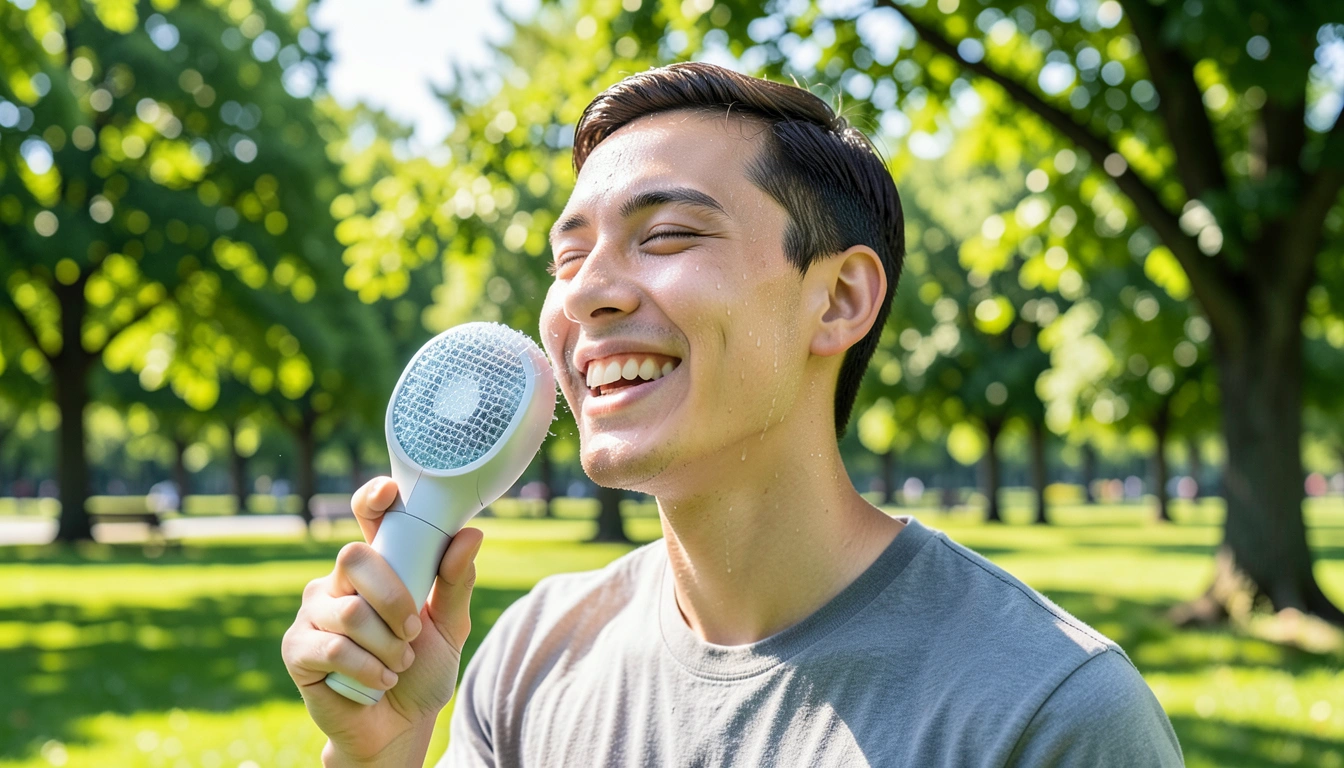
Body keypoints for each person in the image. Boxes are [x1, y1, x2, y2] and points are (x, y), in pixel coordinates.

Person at [282, 62, 1184, 767]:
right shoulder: (526, 661)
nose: (586, 293)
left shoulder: (1052, 713)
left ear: (838, 301)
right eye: (568, 258)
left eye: (667, 235)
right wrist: (378, 756)